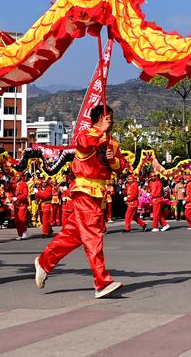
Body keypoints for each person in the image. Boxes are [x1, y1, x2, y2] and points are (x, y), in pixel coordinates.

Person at [34, 105, 124, 299]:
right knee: (93, 235)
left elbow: (121, 165)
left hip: (99, 192)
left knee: (72, 235)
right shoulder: (86, 135)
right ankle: (101, 281)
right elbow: (83, 144)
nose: (112, 122)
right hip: (84, 191)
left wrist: (113, 160)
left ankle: (44, 262)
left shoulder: (112, 143)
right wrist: (101, 132)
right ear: (101, 118)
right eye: (110, 118)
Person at [12, 174, 29, 240]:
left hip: (22, 204)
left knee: (22, 219)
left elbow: (25, 195)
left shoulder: (24, 184)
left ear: (21, 177)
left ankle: (24, 231)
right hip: (16, 204)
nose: (16, 178)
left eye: (18, 176)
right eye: (15, 176)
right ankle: (20, 234)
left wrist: (17, 198)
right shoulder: (14, 184)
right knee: (17, 220)